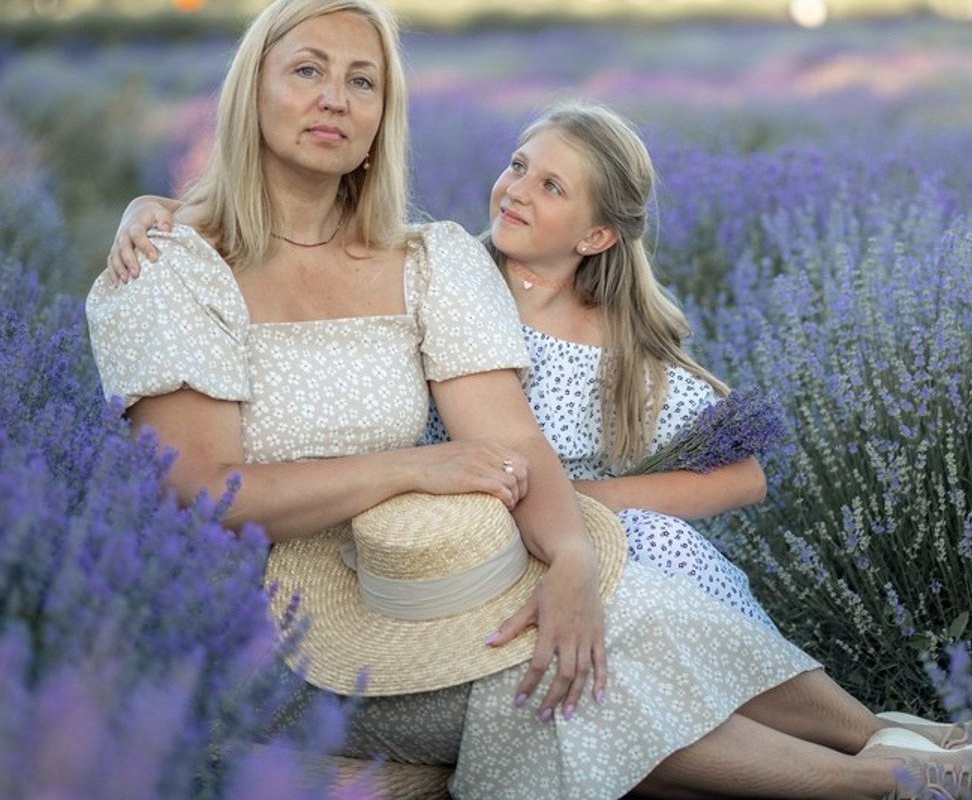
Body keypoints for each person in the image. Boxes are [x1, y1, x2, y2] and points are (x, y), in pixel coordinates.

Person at [88, 0, 972, 800]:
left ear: (382, 121)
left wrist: (574, 558)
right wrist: (415, 467)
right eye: (307, 71)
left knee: (633, 605)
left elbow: (510, 437)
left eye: (362, 82)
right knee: (551, 679)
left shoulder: (427, 260)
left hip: (435, 580)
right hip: (272, 630)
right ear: (252, 90)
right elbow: (203, 490)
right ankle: (895, 786)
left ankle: (891, 738)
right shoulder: (173, 269)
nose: (335, 98)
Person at [110, 102, 776, 626]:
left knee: (663, 561)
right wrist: (157, 209)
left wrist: (584, 506)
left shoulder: (615, 349)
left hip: (568, 548)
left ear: (596, 235)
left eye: (551, 187)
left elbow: (742, 477)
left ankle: (859, 743)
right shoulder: (450, 274)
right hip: (443, 552)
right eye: (517, 166)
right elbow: (306, 234)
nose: (517, 191)